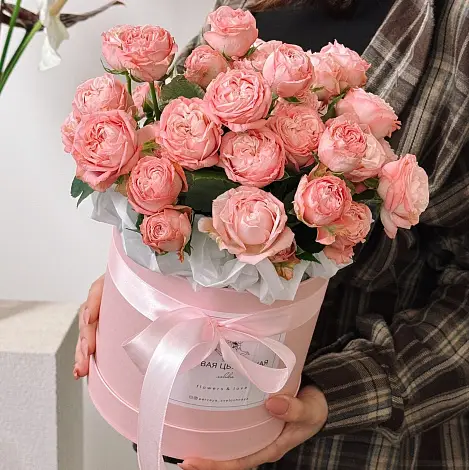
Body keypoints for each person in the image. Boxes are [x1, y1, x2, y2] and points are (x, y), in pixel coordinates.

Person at [74, 0, 469, 469]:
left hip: (355, 448)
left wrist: (341, 392)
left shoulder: (455, 31)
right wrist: (137, 290)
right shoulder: (243, 12)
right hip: (181, 408)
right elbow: (183, 175)